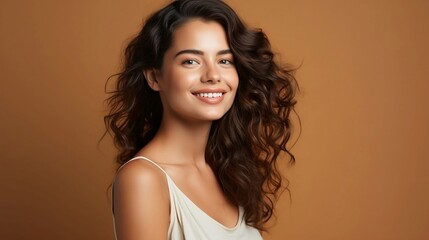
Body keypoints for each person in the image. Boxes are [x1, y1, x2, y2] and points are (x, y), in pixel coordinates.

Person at [104, 0, 298, 239]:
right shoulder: (142, 180)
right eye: (191, 61)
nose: (213, 75)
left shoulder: (227, 169)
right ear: (154, 77)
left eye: (224, 60)